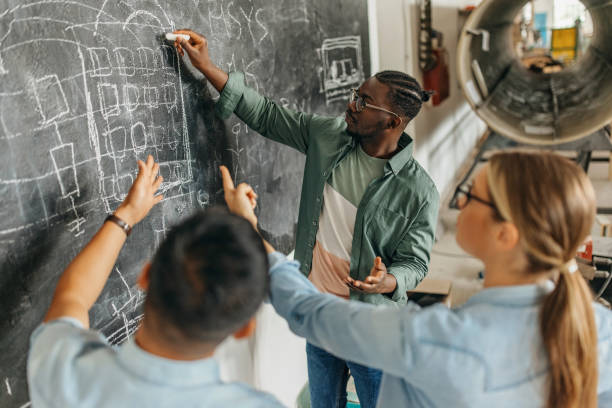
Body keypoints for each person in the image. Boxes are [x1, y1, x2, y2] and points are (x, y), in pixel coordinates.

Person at [172, 29, 440, 407]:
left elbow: (416, 261)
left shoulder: (419, 191)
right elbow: (265, 114)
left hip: (370, 327)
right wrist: (208, 69)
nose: (352, 105)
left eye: (364, 102)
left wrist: (389, 281)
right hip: (318, 312)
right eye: (355, 95)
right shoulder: (328, 137)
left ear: (393, 122)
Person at [223, 150, 612, 408]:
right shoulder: (601, 329)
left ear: (505, 234)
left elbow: (310, 312)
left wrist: (249, 229)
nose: (458, 202)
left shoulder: (434, 338)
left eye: (471, 196)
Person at [27, 156, 284, 407]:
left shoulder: (64, 371)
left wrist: (126, 215)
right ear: (244, 328)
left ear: (146, 275)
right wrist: (248, 226)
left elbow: (72, 297)